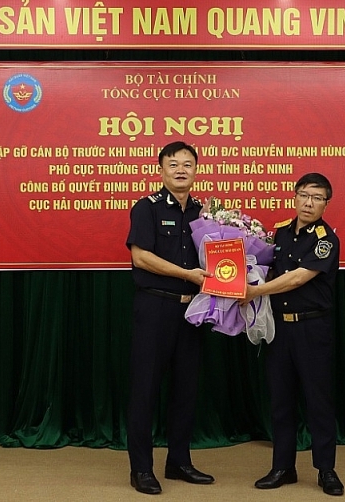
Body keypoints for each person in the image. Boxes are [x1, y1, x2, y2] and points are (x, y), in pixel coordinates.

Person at [241, 172, 344, 496]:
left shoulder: (326, 239)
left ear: (326, 203)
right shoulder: (281, 233)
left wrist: (253, 293)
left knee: (318, 402)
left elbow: (298, 278)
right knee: (281, 401)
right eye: (303, 195)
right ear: (294, 197)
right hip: (280, 329)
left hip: (312, 328)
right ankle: (282, 467)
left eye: (317, 198)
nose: (308, 202)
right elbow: (265, 267)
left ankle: (326, 470)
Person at [125, 141, 214, 495]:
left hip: (192, 309)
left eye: (188, 164)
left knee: (186, 388)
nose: (181, 169)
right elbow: (141, 258)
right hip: (155, 306)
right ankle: (141, 469)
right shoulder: (146, 208)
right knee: (145, 389)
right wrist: (188, 273)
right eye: (173, 163)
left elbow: (217, 256)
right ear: (160, 169)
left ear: (196, 170)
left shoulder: (204, 213)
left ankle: (178, 461)